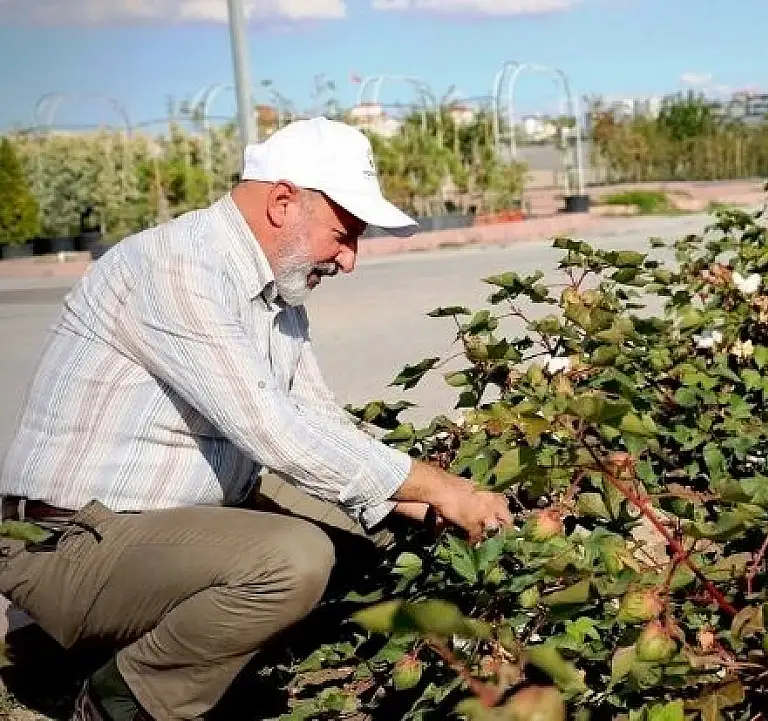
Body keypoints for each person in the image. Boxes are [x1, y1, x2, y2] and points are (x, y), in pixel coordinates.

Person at [0, 117, 513, 721]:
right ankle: (117, 701)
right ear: (281, 202)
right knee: (290, 559)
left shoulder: (277, 295)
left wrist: (422, 503)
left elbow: (320, 422)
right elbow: (274, 430)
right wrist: (440, 485)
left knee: (376, 532)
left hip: (167, 527)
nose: (349, 260)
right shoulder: (178, 268)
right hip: (69, 545)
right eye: (344, 233)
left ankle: (180, 663)